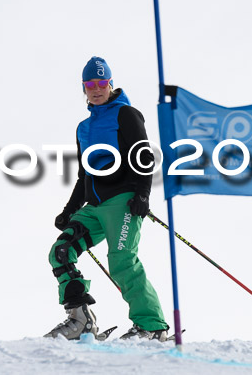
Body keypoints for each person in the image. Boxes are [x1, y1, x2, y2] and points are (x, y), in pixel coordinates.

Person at [44, 56, 169, 341]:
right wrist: (70, 210)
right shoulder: (83, 128)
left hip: (123, 201)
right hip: (95, 206)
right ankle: (79, 319)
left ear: (110, 83)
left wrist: (142, 193)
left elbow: (144, 155)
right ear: (84, 88)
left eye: (102, 83)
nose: (97, 88)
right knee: (60, 251)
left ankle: (151, 326)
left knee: (122, 260)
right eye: (91, 84)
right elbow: (83, 175)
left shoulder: (126, 114)